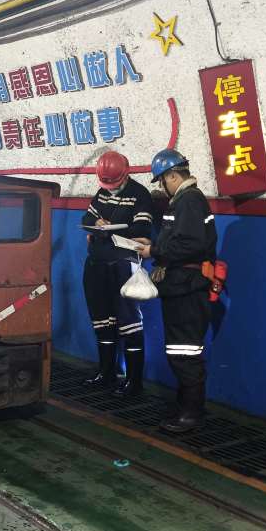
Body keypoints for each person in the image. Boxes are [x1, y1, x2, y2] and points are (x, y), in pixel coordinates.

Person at [136, 149, 217, 433]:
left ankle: (191, 414)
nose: (162, 186)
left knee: (185, 353)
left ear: (172, 175)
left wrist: (154, 251)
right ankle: (186, 407)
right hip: (181, 287)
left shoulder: (189, 201)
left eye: (162, 180)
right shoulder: (184, 201)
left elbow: (189, 244)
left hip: (187, 288)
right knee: (181, 351)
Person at [81, 151, 154, 395]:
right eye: (106, 184)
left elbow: (142, 229)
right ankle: (106, 373)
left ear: (126, 174)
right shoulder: (102, 193)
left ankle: (134, 381)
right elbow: (87, 216)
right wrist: (97, 224)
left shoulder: (139, 194)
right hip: (97, 265)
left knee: (129, 323)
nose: (110, 188)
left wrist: (110, 230)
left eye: (114, 183)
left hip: (124, 265)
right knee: (102, 321)